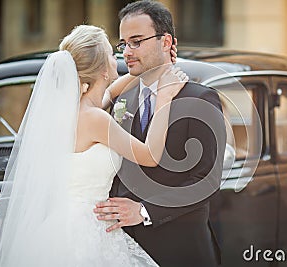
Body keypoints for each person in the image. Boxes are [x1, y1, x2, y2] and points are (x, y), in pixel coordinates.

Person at [0, 24, 187, 266]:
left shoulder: (77, 110)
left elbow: (112, 91)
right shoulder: (95, 118)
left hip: (64, 224)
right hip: (86, 229)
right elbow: (150, 155)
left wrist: (157, 67)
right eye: (113, 55)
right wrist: (165, 98)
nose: (119, 58)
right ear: (103, 70)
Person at [93, 1, 227, 266]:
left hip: (180, 250)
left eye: (136, 41)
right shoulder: (122, 99)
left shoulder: (201, 99)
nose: (127, 52)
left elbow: (207, 180)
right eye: (123, 44)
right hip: (121, 249)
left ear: (166, 42)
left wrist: (143, 211)